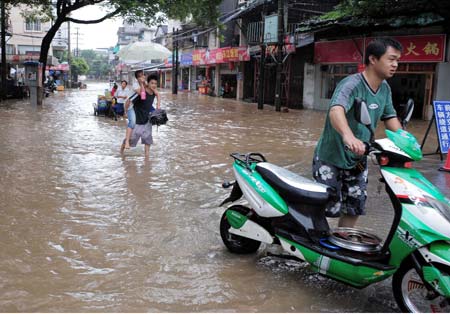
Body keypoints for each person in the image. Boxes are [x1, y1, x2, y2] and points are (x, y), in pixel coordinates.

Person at [312, 37, 403, 228]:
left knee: (355, 206)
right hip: (332, 157)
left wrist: (406, 141)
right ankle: (316, 247)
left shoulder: (385, 88)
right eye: (391, 59)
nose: (395, 64)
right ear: (373, 59)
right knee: (324, 208)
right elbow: (336, 110)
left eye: (397, 60)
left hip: (359, 159)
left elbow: (390, 117)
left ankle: (342, 242)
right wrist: (348, 136)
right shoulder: (351, 84)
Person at [120, 75, 161, 158]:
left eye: (155, 83)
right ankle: (121, 153)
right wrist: (126, 112)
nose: (154, 85)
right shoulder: (141, 93)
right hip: (137, 121)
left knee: (147, 140)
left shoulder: (154, 93)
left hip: (147, 121)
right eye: (152, 83)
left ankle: (147, 159)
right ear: (148, 84)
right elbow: (128, 101)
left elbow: (157, 107)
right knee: (131, 141)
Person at [123, 70, 147, 149]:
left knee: (138, 124)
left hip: (136, 106)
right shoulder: (135, 85)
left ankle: (131, 139)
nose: (143, 77)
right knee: (132, 122)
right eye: (141, 76)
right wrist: (141, 84)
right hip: (129, 104)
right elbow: (142, 95)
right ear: (137, 78)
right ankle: (127, 141)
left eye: (143, 75)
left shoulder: (145, 83)